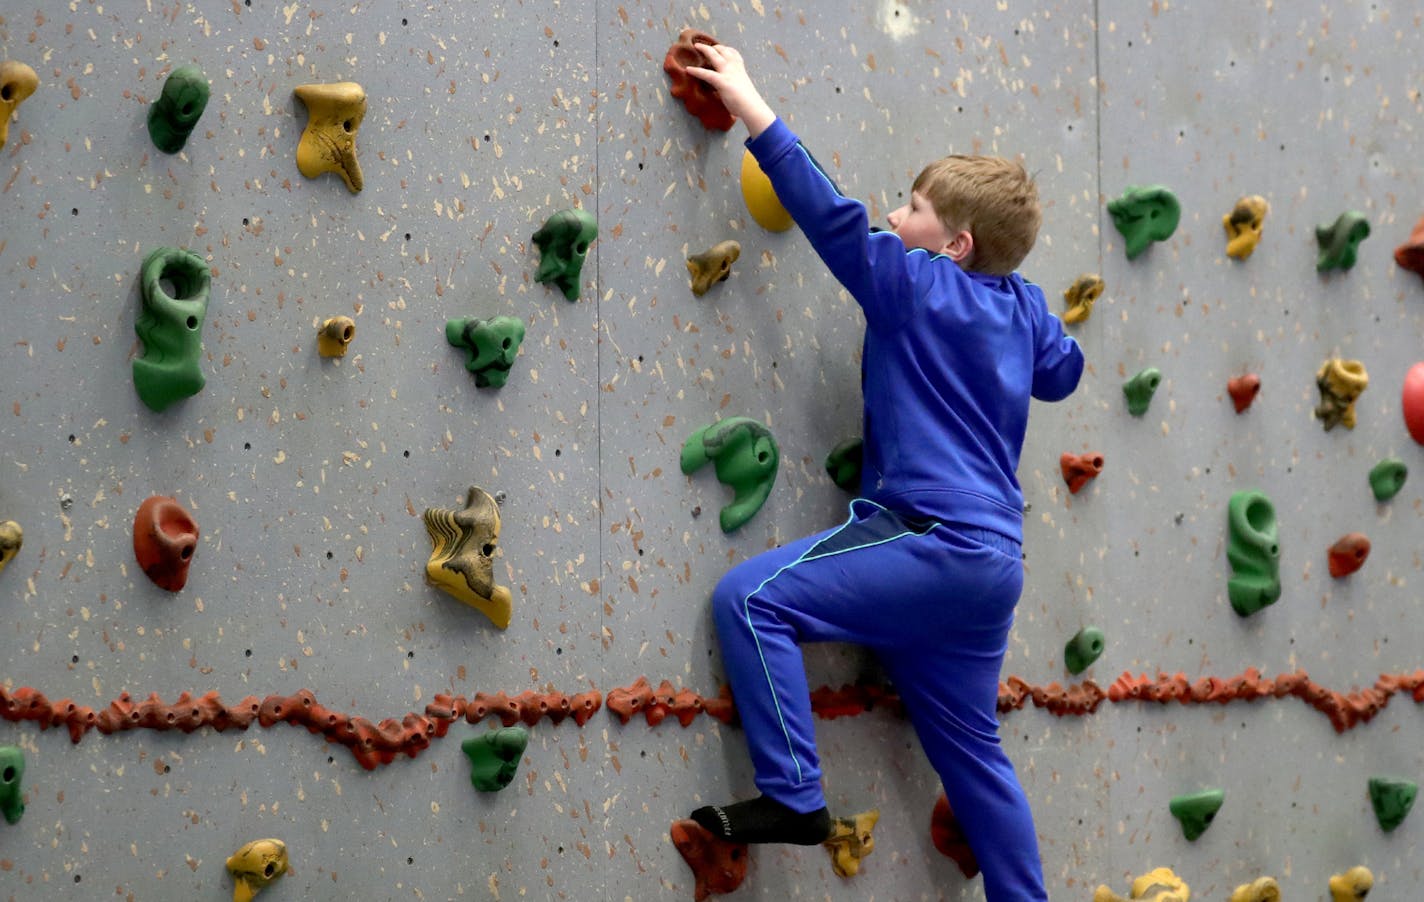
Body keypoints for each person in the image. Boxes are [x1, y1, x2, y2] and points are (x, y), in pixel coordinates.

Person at [683, 42, 1084, 901]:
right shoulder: (1022, 306)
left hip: (925, 541)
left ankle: (794, 795)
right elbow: (1064, 372)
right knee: (974, 755)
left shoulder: (914, 283)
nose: (895, 218)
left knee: (750, 601)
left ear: (956, 244)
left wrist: (752, 103)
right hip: (991, 567)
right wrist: (1025, 308)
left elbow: (829, 216)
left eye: (913, 208)